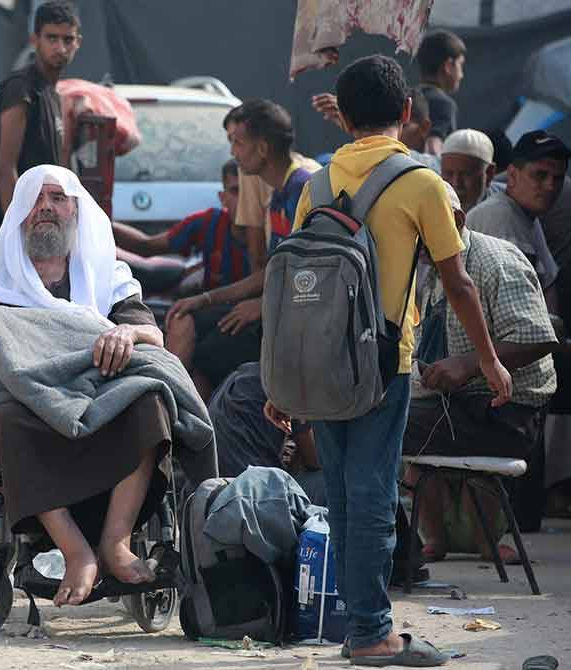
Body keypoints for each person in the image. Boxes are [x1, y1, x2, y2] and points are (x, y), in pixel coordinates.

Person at [266, 55, 512, 666]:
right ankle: (372, 632)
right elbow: (459, 284)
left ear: (342, 117)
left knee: (348, 496)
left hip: (319, 365)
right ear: (406, 112)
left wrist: (283, 378)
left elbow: (296, 285)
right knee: (374, 495)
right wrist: (490, 361)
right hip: (382, 365)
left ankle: (356, 624)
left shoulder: (315, 186)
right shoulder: (422, 182)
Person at [0, 165, 215, 607]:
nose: (46, 208)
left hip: (99, 388)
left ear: (75, 210)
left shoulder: (105, 271)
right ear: (20, 212)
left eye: (58, 198)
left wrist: (124, 334)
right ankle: (75, 551)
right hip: (29, 394)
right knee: (8, 419)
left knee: (150, 402)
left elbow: (151, 334)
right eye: (36, 199)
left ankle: (115, 542)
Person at [405, 182, 556, 564]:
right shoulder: (427, 267)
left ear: (455, 220)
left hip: (508, 413)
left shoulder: (496, 262)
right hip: (458, 404)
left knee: (387, 426)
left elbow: (538, 339)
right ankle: (432, 540)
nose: (416, 242)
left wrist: (469, 363)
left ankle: (402, 551)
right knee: (391, 412)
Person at [165, 100, 319, 400]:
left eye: (238, 142)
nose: (233, 152)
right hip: (276, 309)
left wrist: (262, 306)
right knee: (185, 318)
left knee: (208, 355)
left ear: (262, 149)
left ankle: (195, 432)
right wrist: (204, 299)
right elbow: (271, 271)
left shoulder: (304, 190)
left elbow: (313, 273)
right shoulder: (277, 194)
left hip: (297, 322)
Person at [0, 0, 81, 215]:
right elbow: (6, 170)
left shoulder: (56, 95)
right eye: (52, 38)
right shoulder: (21, 90)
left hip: (48, 220)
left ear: (78, 43)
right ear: (35, 40)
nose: (60, 48)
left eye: (68, 39)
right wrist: (17, 228)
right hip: (24, 223)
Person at [465, 130, 568, 310]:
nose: (550, 186)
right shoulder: (502, 216)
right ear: (512, 175)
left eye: (557, 178)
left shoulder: (526, 213)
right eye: (540, 175)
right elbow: (518, 308)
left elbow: (549, 283)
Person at [112, 159, 250, 291]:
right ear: (222, 198)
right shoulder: (209, 223)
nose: (245, 198)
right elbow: (146, 246)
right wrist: (101, 225)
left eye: (250, 191)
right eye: (236, 191)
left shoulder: (270, 235)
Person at [208, 362, 324, 503]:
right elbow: (315, 460)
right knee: (335, 480)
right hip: (255, 499)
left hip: (215, 493)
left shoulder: (245, 374)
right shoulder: (294, 383)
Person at [312, 87, 440, 172]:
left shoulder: (440, 167)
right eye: (383, 125)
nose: (389, 134)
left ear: (424, 127)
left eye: (402, 126)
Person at [416, 30, 466, 156]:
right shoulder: (443, 104)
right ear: (448, 66)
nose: (461, 75)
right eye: (460, 65)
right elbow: (433, 149)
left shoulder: (407, 98)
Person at [440, 128, 496, 213]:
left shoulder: (501, 213)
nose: (456, 183)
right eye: (449, 174)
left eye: (465, 174)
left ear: (489, 174)